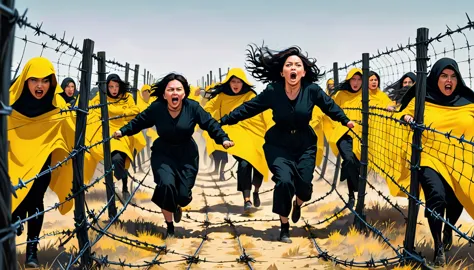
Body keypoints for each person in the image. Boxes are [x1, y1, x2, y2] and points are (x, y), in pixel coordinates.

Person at [219, 44, 354, 243]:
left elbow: (329, 106)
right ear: (282, 72)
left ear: (303, 71)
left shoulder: (312, 90)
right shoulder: (273, 90)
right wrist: (224, 120)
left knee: (304, 188)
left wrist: (344, 120)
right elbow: (249, 108)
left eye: (297, 65)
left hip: (305, 144)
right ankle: (284, 227)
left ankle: (298, 204)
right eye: (288, 65)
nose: (293, 68)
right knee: (283, 182)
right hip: (278, 144)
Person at [113, 73, 234, 238]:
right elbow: (139, 121)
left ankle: (177, 204)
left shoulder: (193, 107)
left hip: (187, 155)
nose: (174, 93)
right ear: (164, 94)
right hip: (163, 153)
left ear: (184, 93)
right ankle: (169, 227)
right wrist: (123, 131)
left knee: (183, 196)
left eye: (178, 89)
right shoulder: (157, 108)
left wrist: (223, 138)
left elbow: (210, 123)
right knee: (166, 185)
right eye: (170, 90)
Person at [396, 58, 474, 267]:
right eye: (444, 76)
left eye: (453, 76)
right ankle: (438, 247)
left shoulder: (467, 101)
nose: (449, 80)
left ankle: (448, 228)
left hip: (458, 160)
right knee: (436, 197)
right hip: (429, 156)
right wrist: (407, 118)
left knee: (456, 200)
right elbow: (406, 111)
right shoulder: (423, 97)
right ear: (435, 78)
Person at [9, 57, 81, 268]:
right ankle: (16, 217)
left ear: (52, 82)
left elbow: (69, 130)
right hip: (15, 162)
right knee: (15, 197)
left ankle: (32, 251)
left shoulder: (56, 104)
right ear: (25, 80)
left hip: (42, 161)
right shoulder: (10, 102)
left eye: (45, 80)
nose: (39, 86)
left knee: (35, 200)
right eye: (34, 80)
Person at [203, 67, 273, 212]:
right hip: (234, 132)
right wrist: (215, 124)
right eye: (233, 81)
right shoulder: (221, 96)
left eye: (238, 81)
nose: (235, 84)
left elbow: (265, 112)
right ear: (228, 82)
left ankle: (256, 191)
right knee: (244, 162)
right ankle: (246, 199)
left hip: (256, 133)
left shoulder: (251, 95)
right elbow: (206, 110)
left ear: (243, 83)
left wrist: (271, 130)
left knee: (259, 161)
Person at [87, 74, 146, 200]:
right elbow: (92, 112)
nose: (114, 89)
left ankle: (124, 187)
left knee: (120, 159)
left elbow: (135, 111)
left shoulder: (127, 97)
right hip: (107, 133)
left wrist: (118, 113)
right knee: (116, 160)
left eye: (116, 86)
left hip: (123, 132)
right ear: (106, 87)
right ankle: (116, 187)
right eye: (111, 86)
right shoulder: (100, 98)